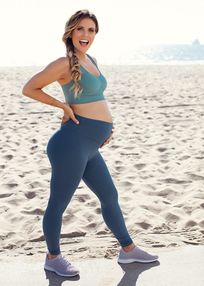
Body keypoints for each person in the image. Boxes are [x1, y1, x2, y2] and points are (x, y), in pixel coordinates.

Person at [22, 9, 158, 278]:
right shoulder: (63, 63)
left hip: (90, 145)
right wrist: (61, 105)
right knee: (58, 203)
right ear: (70, 32)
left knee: (109, 196)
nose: (86, 35)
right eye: (81, 29)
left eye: (91, 30)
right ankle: (53, 257)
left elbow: (95, 100)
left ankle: (128, 250)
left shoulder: (91, 60)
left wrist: (106, 128)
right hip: (70, 144)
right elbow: (30, 88)